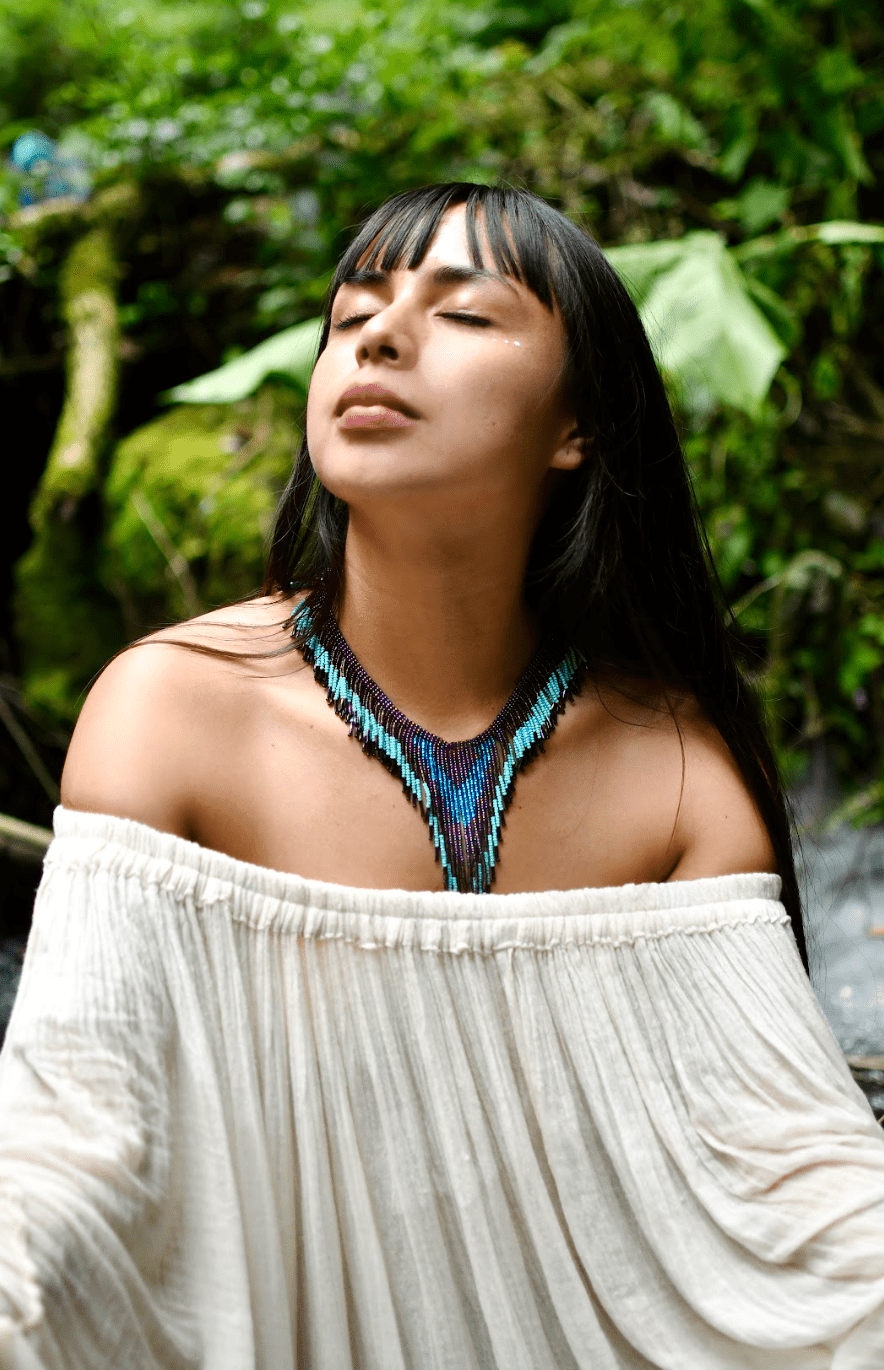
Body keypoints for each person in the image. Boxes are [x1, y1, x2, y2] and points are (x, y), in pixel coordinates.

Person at [1, 182, 883, 1369]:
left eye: (463, 314)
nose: (378, 334)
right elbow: (76, 1125)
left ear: (577, 426)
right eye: (351, 312)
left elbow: (789, 1174)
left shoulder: (670, 772)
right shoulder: (171, 713)